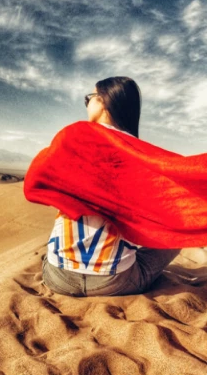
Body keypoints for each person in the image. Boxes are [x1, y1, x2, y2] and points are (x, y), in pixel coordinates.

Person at [42, 76, 182, 296]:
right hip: (115, 282)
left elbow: (38, 181)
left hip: (59, 279)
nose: (87, 103)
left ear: (105, 101)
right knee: (176, 240)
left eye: (90, 97)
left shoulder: (72, 137)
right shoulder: (141, 155)